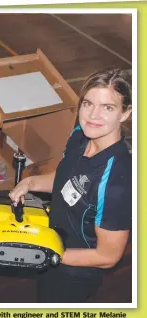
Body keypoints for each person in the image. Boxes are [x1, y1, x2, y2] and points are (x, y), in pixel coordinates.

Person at [9, 68, 132, 303]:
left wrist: (49, 252)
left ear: (125, 114)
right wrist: (30, 182)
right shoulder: (80, 135)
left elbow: (108, 256)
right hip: (53, 248)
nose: (93, 115)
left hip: (73, 273)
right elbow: (65, 179)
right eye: (88, 103)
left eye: (108, 107)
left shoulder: (117, 182)